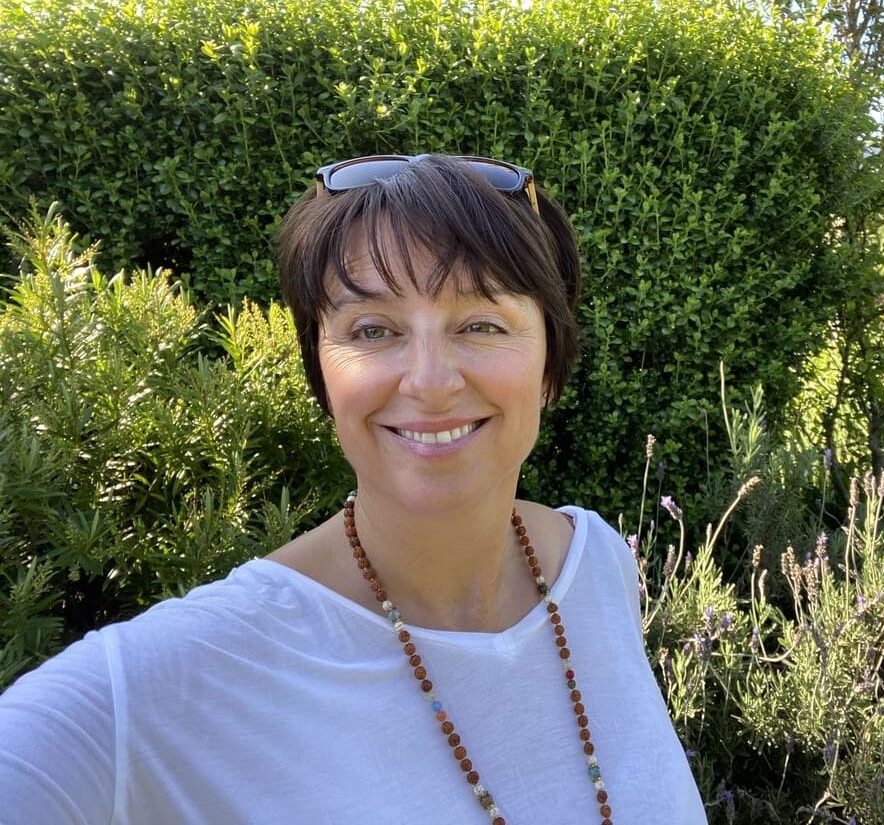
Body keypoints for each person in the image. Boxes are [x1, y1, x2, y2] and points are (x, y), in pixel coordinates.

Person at [0, 153, 707, 823]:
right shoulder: (178, 674)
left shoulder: (597, 562)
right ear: (323, 375)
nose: (430, 381)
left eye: (483, 323)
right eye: (373, 330)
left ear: (551, 365)